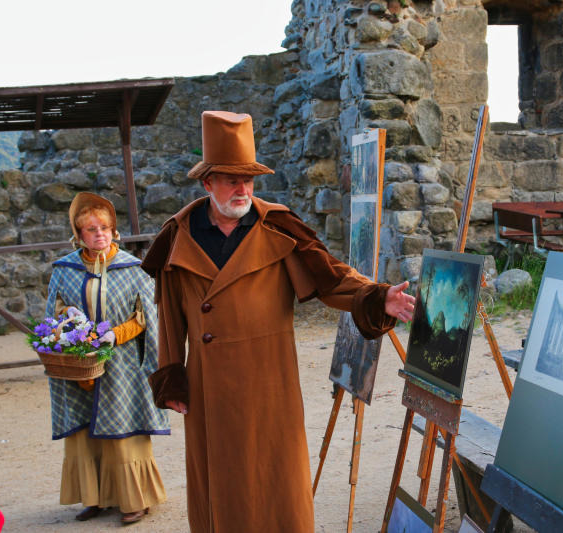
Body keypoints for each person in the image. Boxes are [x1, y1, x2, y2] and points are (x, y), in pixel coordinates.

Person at [142, 111, 415, 532]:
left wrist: (378, 296)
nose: (242, 189)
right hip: (210, 388)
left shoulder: (279, 227)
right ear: (207, 182)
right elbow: (168, 318)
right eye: (231, 178)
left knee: (277, 484)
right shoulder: (178, 238)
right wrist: (171, 377)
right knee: (224, 493)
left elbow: (331, 279)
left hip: (271, 381)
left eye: (248, 179)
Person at [45, 192, 170, 524]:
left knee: (123, 431)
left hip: (123, 363)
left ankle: (133, 500)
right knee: (85, 431)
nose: (98, 233)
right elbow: (53, 312)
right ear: (78, 234)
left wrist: (117, 334)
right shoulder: (65, 269)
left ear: (114, 231)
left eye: (104, 227)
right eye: (90, 229)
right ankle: (95, 497)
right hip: (80, 362)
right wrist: (67, 318)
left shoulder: (133, 268)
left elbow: (147, 315)